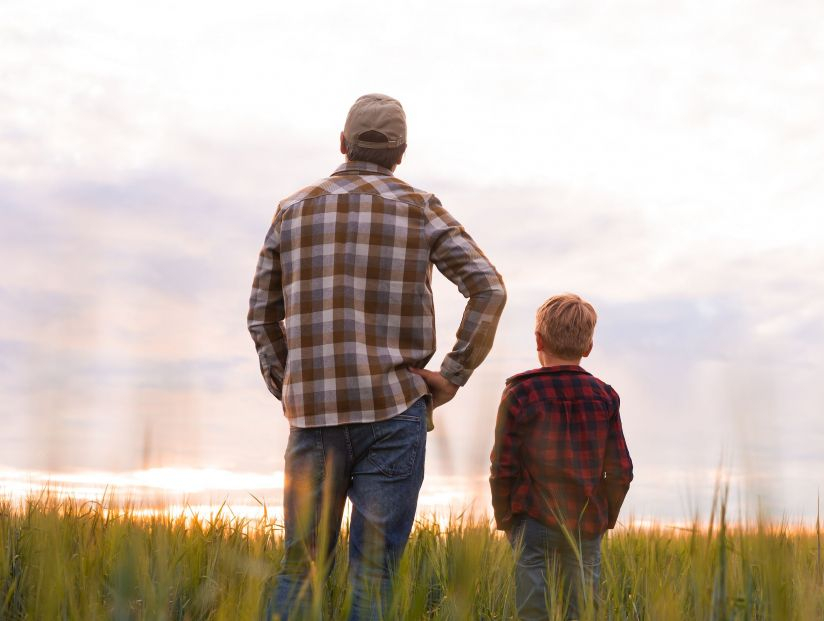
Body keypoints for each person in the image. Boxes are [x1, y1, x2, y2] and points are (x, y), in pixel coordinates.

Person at [248, 93, 507, 620]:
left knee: (300, 572)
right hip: (394, 414)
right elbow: (489, 288)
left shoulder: (293, 209)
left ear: (342, 144)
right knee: (374, 577)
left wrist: (289, 383)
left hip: (313, 415)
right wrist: (452, 374)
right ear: (402, 152)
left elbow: (260, 316)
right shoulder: (420, 207)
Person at [489, 293, 633, 620]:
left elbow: (503, 466)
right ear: (588, 348)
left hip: (531, 521)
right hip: (587, 522)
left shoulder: (519, 393)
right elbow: (621, 470)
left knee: (532, 611)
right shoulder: (605, 396)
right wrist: (603, 518)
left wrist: (506, 518)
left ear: (538, 340)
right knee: (583, 611)